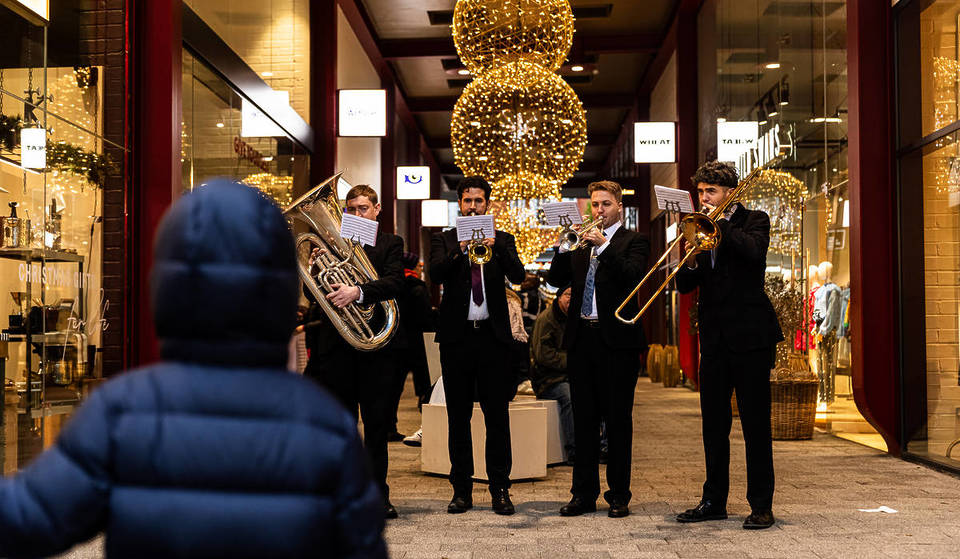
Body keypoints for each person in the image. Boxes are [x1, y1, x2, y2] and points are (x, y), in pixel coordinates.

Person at [0, 180, 386, 558]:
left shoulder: (121, 410)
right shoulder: (325, 425)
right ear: (282, 289)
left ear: (165, 286)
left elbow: (26, 518)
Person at [674, 160, 783, 530]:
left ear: (730, 192)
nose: (703, 199)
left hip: (751, 337)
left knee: (755, 425)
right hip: (715, 339)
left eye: (711, 192)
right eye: (701, 192)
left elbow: (754, 254)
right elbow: (684, 287)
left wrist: (718, 225)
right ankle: (713, 500)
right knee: (713, 426)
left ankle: (761, 505)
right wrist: (687, 253)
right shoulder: (699, 231)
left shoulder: (754, 219)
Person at [302, 184, 405, 520]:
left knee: (376, 429)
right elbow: (312, 292)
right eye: (352, 209)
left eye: (364, 208)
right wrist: (315, 267)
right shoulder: (330, 243)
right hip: (337, 350)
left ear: (377, 210)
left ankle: (379, 496)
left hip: (374, 349)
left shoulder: (390, 243)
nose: (358, 214)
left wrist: (357, 292)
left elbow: (394, 283)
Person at [548, 180, 649, 519]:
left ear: (619, 205)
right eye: (594, 205)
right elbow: (554, 279)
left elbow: (633, 276)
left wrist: (604, 246)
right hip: (582, 340)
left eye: (606, 204)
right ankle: (583, 494)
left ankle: (619, 494)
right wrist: (564, 246)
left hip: (617, 342)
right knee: (584, 420)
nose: (599, 211)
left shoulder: (634, 240)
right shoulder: (580, 240)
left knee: (618, 421)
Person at [429, 175, 526, 515]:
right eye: (467, 201)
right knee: (458, 418)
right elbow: (436, 274)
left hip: (493, 340)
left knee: (497, 418)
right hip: (457, 340)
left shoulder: (503, 239)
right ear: (460, 203)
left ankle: (500, 488)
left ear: (488, 204)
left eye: (479, 201)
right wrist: (460, 249)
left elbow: (518, 274)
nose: (473, 206)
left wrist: (495, 242)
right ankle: (462, 490)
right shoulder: (444, 239)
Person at [388, 252, 436, 440]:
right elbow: (424, 317)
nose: (419, 269)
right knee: (426, 386)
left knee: (394, 388)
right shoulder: (417, 286)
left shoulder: (394, 284)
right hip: (417, 342)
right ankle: (429, 428)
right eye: (418, 266)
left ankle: (389, 426)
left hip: (397, 341)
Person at [530, 285, 575, 464]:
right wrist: (572, 361)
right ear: (558, 297)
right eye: (567, 294)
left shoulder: (574, 317)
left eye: (574, 294)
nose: (571, 298)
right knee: (570, 397)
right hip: (548, 380)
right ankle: (574, 450)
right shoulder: (547, 320)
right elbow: (544, 356)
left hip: (568, 375)